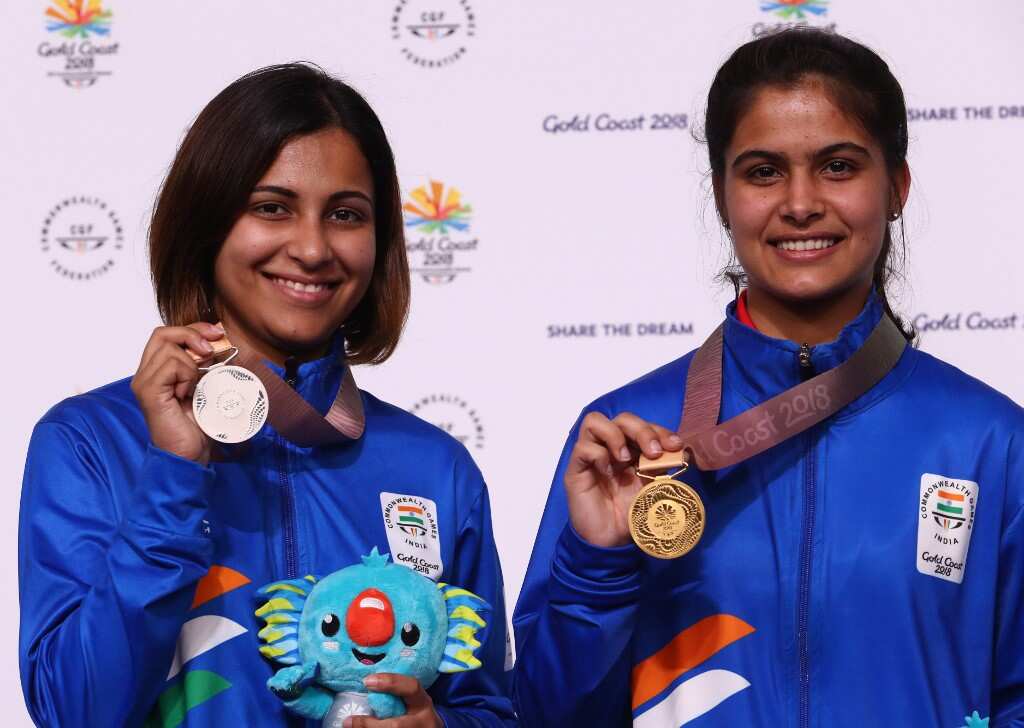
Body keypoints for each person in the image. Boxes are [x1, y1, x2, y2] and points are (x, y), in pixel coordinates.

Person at [512, 29, 1023, 727]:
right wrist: (597, 565)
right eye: (762, 171)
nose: (801, 202)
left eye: (838, 166)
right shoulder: (628, 438)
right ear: (723, 197)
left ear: (897, 187)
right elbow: (546, 717)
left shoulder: (989, 441)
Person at [19, 63, 514, 728]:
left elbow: (487, 708)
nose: (312, 248)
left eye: (345, 214)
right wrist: (172, 473)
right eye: (271, 208)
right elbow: (71, 712)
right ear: (205, 223)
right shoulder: (90, 442)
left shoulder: (433, 466)